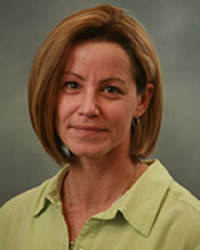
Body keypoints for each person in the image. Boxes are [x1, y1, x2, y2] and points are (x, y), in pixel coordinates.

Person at [0, 4, 200, 250]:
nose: (88, 108)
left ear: (142, 101)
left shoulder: (189, 229)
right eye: (72, 85)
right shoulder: (10, 221)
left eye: (110, 89)